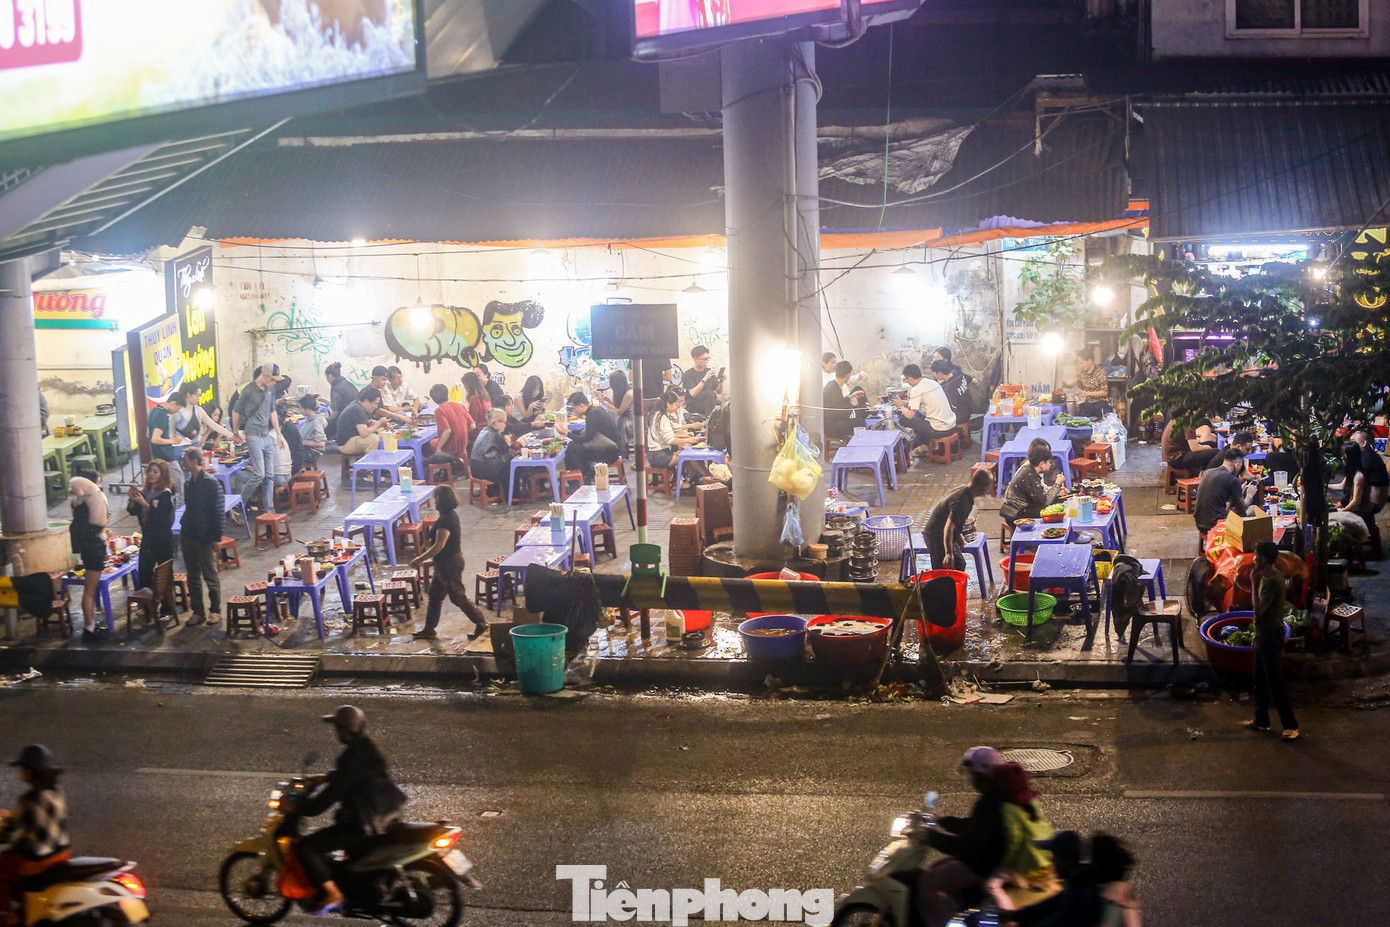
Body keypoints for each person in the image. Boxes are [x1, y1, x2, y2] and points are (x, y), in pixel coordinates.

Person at [295, 706, 405, 915]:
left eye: (336, 727)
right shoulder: (368, 747)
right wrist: (326, 777)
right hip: (386, 815)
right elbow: (355, 776)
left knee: (307, 847)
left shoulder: (349, 757)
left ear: (344, 730)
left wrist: (303, 806)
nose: (334, 732)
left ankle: (333, 894)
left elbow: (329, 797)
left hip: (363, 823)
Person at [917, 746, 1009, 927]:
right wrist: (943, 820)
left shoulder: (991, 802)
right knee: (936, 867)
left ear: (981, 774)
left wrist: (931, 837)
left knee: (927, 882)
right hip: (987, 859)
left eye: (971, 773)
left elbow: (966, 845)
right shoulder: (995, 797)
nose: (969, 777)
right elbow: (973, 827)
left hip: (982, 865)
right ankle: (953, 910)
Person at [0, 744, 70, 924]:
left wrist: (4, 829)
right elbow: (39, 821)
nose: (21, 772)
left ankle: (5, 916)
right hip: (60, 853)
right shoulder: (56, 791)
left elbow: (13, 836)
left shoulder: (29, 800)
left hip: (39, 860)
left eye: (23, 768)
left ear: (29, 771)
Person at [410, 484, 490, 641]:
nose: (434, 501)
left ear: (441, 500)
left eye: (436, 498)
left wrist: (419, 560)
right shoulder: (448, 515)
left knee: (457, 596)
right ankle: (429, 629)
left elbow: (439, 545)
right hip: (443, 564)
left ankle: (481, 623)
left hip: (449, 564)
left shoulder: (446, 520)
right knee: (435, 596)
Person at [985, 762, 1055, 914]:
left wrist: (1005, 863)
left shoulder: (1009, 807)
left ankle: (1009, 918)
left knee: (992, 885)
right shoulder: (1031, 801)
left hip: (1031, 864)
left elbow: (1014, 840)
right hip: (1047, 860)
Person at [1248, 541, 1298, 741]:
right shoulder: (1270, 576)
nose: (1253, 559)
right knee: (1259, 680)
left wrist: (1253, 583)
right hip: (1263, 635)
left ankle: (1291, 726)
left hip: (1270, 637)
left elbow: (1258, 610)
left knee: (1275, 682)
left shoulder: (1270, 581)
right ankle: (1262, 720)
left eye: (1256, 556)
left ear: (1263, 559)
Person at [231, 364, 288, 515]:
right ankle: (239, 503)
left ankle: (270, 511)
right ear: (265, 376)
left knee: (269, 476)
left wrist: (278, 434)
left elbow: (272, 411)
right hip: (253, 436)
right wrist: (235, 432)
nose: (274, 382)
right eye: (272, 379)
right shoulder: (249, 390)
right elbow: (236, 411)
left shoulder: (271, 389)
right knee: (259, 474)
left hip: (266, 435)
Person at [126, 460, 177, 621]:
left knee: (164, 574)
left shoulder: (165, 494)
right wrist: (133, 500)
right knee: (144, 571)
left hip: (163, 539)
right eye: (150, 471)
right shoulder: (145, 491)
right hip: (148, 538)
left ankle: (167, 609)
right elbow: (133, 512)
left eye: (155, 472)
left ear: (162, 474)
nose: (151, 474)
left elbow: (163, 518)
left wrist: (145, 504)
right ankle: (147, 605)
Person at [179, 448, 224, 628]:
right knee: (192, 576)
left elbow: (218, 511)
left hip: (205, 536)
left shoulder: (211, 483)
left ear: (194, 461)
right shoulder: (188, 484)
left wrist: (216, 537)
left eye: (185, 459)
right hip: (188, 533)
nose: (183, 463)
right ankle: (198, 612)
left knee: (210, 574)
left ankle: (215, 610)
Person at [924, 469, 993, 572]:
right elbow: (948, 528)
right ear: (983, 486)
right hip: (936, 536)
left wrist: (959, 536)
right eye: (989, 486)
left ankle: (955, 582)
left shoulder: (965, 493)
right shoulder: (961, 501)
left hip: (946, 535)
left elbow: (954, 520)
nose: (989, 489)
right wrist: (948, 554)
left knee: (959, 564)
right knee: (944, 571)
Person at [67, 473, 108, 640]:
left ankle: (90, 626)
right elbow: (97, 524)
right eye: (98, 481)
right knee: (89, 590)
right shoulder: (88, 505)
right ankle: (89, 628)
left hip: (89, 549)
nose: (100, 485)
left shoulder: (79, 504)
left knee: (90, 590)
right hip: (94, 550)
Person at [999, 440, 1066, 530]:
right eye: (1049, 462)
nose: (1050, 465)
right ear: (1042, 464)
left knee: (1058, 500)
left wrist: (1057, 492)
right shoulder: (1030, 475)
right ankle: (1059, 531)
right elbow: (1045, 502)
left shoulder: (1030, 469)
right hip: (1016, 514)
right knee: (1054, 510)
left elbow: (1040, 494)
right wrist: (1057, 484)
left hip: (1020, 509)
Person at [1193, 447, 1254, 540]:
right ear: (1237, 466)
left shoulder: (1208, 472)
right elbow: (1243, 508)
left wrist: (1237, 492)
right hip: (1217, 525)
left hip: (1199, 523)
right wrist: (1249, 494)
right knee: (1253, 509)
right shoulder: (1233, 479)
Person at [894, 364, 955, 455]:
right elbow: (921, 401)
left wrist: (900, 405)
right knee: (920, 418)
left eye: (906, 379)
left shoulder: (917, 389)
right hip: (951, 424)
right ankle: (925, 445)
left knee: (903, 420)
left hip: (940, 429)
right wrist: (903, 402)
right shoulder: (932, 382)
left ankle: (921, 445)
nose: (907, 382)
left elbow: (909, 415)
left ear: (909, 377)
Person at [1340, 427, 1388, 538]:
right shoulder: (1366, 455)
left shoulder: (1365, 459)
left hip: (1372, 502)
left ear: (1364, 443)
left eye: (1353, 441)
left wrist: (1343, 503)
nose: (1351, 444)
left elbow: (1355, 488)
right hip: (1371, 499)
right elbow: (1346, 484)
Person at [562, 392, 622, 481]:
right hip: (608, 446)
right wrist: (570, 432)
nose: (574, 412)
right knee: (574, 447)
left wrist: (567, 434)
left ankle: (581, 480)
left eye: (574, 408)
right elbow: (588, 431)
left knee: (572, 449)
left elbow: (586, 439)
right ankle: (584, 475)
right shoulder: (594, 410)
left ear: (581, 405)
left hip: (610, 452)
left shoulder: (593, 414)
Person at [147, 391, 189, 505]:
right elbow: (155, 439)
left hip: (157, 457)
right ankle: (180, 510)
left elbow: (148, 434)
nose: (177, 411)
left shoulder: (153, 411)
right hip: (166, 458)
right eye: (178, 408)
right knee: (180, 487)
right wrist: (172, 441)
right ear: (174, 403)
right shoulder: (162, 415)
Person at [426, 383, 474, 473]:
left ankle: (439, 470)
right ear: (447, 394)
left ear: (434, 399)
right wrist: (462, 432)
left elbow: (447, 431)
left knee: (430, 443)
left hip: (451, 445)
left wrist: (439, 449)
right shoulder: (460, 405)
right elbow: (472, 426)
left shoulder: (439, 410)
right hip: (463, 443)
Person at [646, 389, 698, 471]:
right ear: (668, 404)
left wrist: (685, 435)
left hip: (655, 454)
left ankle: (689, 477)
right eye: (675, 404)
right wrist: (689, 440)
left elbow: (674, 427)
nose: (677, 406)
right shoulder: (662, 417)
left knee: (686, 453)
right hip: (658, 456)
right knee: (688, 457)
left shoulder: (657, 414)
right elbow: (670, 440)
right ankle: (697, 476)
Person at [335, 387, 389, 457]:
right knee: (373, 439)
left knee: (384, 432)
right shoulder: (357, 409)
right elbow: (364, 433)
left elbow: (368, 421)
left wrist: (381, 424)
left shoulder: (360, 405)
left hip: (355, 437)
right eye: (375, 404)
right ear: (366, 401)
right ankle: (369, 462)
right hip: (346, 444)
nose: (376, 407)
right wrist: (379, 423)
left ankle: (386, 458)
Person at [469, 409, 516, 488]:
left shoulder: (484, 430)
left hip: (475, 469)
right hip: (487, 471)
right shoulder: (495, 435)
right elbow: (507, 455)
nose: (505, 425)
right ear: (496, 422)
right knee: (514, 468)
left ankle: (495, 491)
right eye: (504, 422)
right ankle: (513, 495)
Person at [680, 345, 725, 420]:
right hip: (695, 405)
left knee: (723, 406)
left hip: (709, 402)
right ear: (695, 359)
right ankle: (708, 420)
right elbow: (692, 393)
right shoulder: (688, 375)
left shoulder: (708, 371)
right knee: (710, 394)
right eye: (704, 359)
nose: (706, 361)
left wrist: (721, 381)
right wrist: (705, 378)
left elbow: (719, 391)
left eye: (707, 359)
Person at [823, 361, 866, 439]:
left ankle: (865, 412)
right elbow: (842, 414)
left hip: (834, 420)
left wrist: (851, 396)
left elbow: (840, 401)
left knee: (858, 389)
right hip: (831, 427)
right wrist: (853, 405)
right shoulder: (834, 389)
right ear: (848, 375)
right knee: (860, 421)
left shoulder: (832, 384)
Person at [1064, 351, 1112, 419]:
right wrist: (1069, 386)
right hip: (1086, 404)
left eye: (1082, 363)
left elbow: (1104, 392)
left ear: (1089, 361)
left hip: (1100, 403)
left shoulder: (1101, 372)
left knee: (1108, 417)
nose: (1080, 365)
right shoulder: (1083, 372)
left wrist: (1087, 393)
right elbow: (1079, 383)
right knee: (1080, 420)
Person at [597, 370, 634, 457]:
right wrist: (608, 400)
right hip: (625, 417)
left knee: (610, 419)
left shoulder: (629, 393)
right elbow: (620, 407)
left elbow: (620, 411)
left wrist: (604, 403)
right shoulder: (625, 391)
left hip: (631, 422)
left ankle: (617, 449)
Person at [930, 359, 970, 426]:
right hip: (968, 409)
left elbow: (949, 407)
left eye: (934, 373)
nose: (934, 375)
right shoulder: (958, 374)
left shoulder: (949, 389)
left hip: (961, 416)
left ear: (939, 373)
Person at [277, 400, 311, 476]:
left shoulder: (288, 428)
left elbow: (288, 449)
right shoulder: (287, 426)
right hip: (293, 460)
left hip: (294, 463)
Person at [324, 362, 358, 438]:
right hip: (356, 419)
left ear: (330, 376)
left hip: (345, 422)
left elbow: (335, 412)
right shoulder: (347, 383)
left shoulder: (336, 388)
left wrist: (328, 422)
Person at [297, 395, 327, 467]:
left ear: (307, 409)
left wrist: (304, 443)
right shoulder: (311, 418)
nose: (299, 410)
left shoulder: (315, 422)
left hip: (310, 453)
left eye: (300, 408)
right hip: (307, 450)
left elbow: (321, 444)